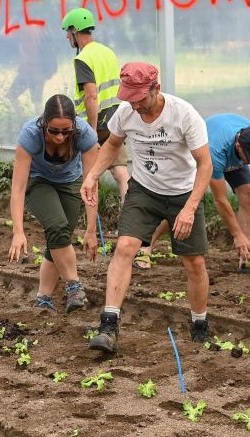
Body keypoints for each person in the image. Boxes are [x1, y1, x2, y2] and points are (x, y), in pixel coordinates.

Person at [81, 62, 213, 352]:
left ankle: (200, 324)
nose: (135, 104)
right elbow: (113, 145)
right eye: (129, 97)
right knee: (125, 247)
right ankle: (108, 325)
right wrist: (92, 176)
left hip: (182, 192)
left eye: (140, 98)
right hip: (144, 190)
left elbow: (205, 164)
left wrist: (190, 208)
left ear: (156, 88)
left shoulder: (184, 115)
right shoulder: (126, 112)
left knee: (194, 261)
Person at [136, 114, 250, 274]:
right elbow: (220, 200)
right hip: (206, 154)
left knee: (249, 195)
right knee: (185, 203)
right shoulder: (215, 150)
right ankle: (146, 246)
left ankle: (247, 258)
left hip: (234, 155)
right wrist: (237, 235)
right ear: (239, 146)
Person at [8, 94, 99, 313]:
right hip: (39, 182)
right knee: (57, 227)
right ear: (44, 123)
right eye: (54, 131)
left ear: (74, 126)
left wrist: (91, 230)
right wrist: (18, 231)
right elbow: (18, 188)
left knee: (60, 239)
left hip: (71, 182)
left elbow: (91, 185)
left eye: (65, 131)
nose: (60, 136)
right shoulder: (30, 135)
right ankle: (74, 286)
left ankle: (44, 298)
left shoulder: (85, 134)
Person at [61, 7, 130, 205]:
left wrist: (91, 131)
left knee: (89, 172)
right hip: (116, 120)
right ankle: (128, 222)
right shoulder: (107, 52)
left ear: (75, 30)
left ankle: (86, 220)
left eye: (68, 31)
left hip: (96, 125)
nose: (67, 36)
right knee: (120, 172)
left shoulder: (83, 58)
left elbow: (91, 96)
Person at [8, 26, 55, 117]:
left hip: (30, 72)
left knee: (13, 95)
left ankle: (25, 120)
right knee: (37, 101)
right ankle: (41, 125)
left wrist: (33, 73)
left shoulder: (28, 31)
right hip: (37, 72)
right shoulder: (36, 29)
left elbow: (32, 52)